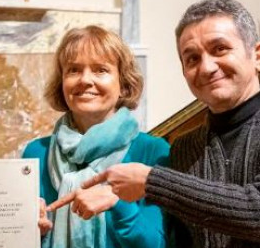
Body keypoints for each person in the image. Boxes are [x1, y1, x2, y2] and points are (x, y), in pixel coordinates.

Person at [81, 0, 260, 247]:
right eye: (192, 58)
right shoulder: (186, 147)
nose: (207, 67)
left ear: (257, 55)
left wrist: (151, 181)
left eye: (220, 49)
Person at [23, 25, 169, 248]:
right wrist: (31, 232)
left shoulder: (153, 151)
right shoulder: (36, 153)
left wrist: (119, 203)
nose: (85, 80)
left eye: (101, 70)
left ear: (123, 84)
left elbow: (157, 244)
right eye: (73, 70)